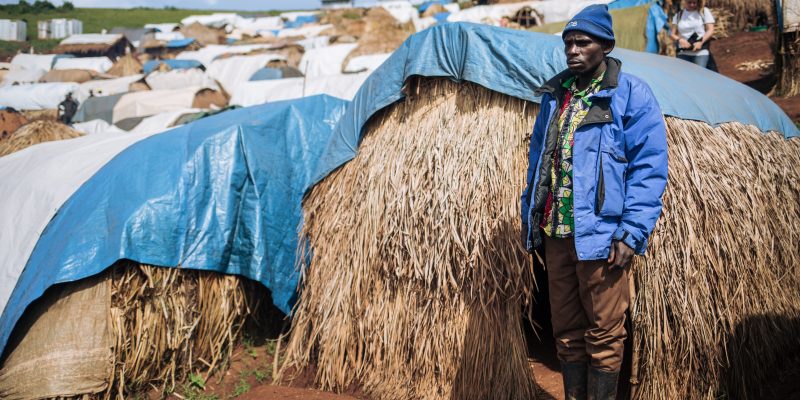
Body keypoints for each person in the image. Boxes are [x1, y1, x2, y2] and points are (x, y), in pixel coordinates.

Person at [520, 4, 668, 399]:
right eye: (568, 42)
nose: (572, 49)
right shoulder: (556, 96)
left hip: (601, 237)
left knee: (604, 331)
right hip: (557, 232)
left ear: (605, 45)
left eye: (582, 42)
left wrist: (631, 233)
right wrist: (531, 220)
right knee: (566, 330)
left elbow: (648, 168)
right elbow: (539, 161)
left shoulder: (629, 94)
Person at [670, 0, 715, 68]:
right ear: (684, 1)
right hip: (683, 53)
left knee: (698, 76)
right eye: (689, 2)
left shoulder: (703, 11)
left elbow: (710, 30)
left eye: (694, 2)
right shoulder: (679, 15)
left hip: (700, 53)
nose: (692, 5)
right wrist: (680, 40)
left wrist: (700, 42)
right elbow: (672, 34)